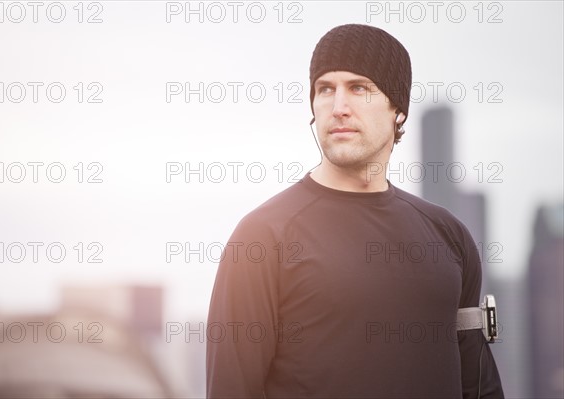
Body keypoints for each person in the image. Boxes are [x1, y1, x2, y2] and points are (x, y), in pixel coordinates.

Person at [206, 24, 504, 398]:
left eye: (359, 88)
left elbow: (479, 386)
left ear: (398, 109)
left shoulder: (449, 236)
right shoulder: (262, 237)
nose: (339, 107)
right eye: (325, 89)